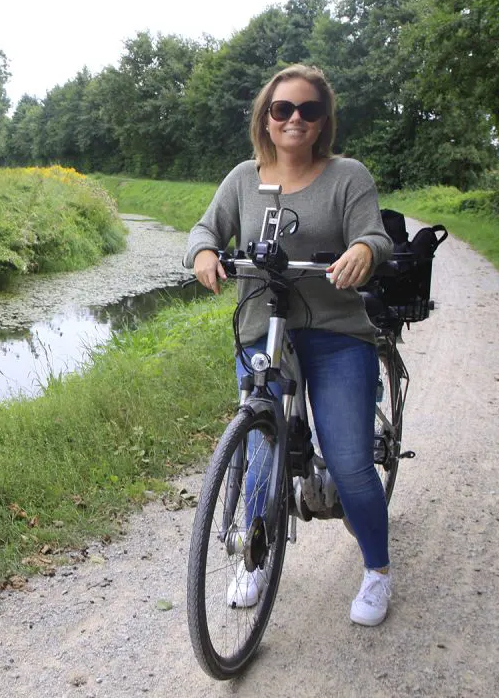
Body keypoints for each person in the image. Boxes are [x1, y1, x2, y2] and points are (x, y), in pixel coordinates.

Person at [183, 64, 395, 626]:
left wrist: (364, 254)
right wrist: (205, 253)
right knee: (259, 449)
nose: (295, 119)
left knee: (350, 463)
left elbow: (374, 236)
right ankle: (254, 557)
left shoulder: (347, 176)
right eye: (283, 109)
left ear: (323, 121)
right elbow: (205, 230)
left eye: (308, 110)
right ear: (267, 118)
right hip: (262, 329)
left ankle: (377, 570)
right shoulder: (242, 179)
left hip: (334, 333)